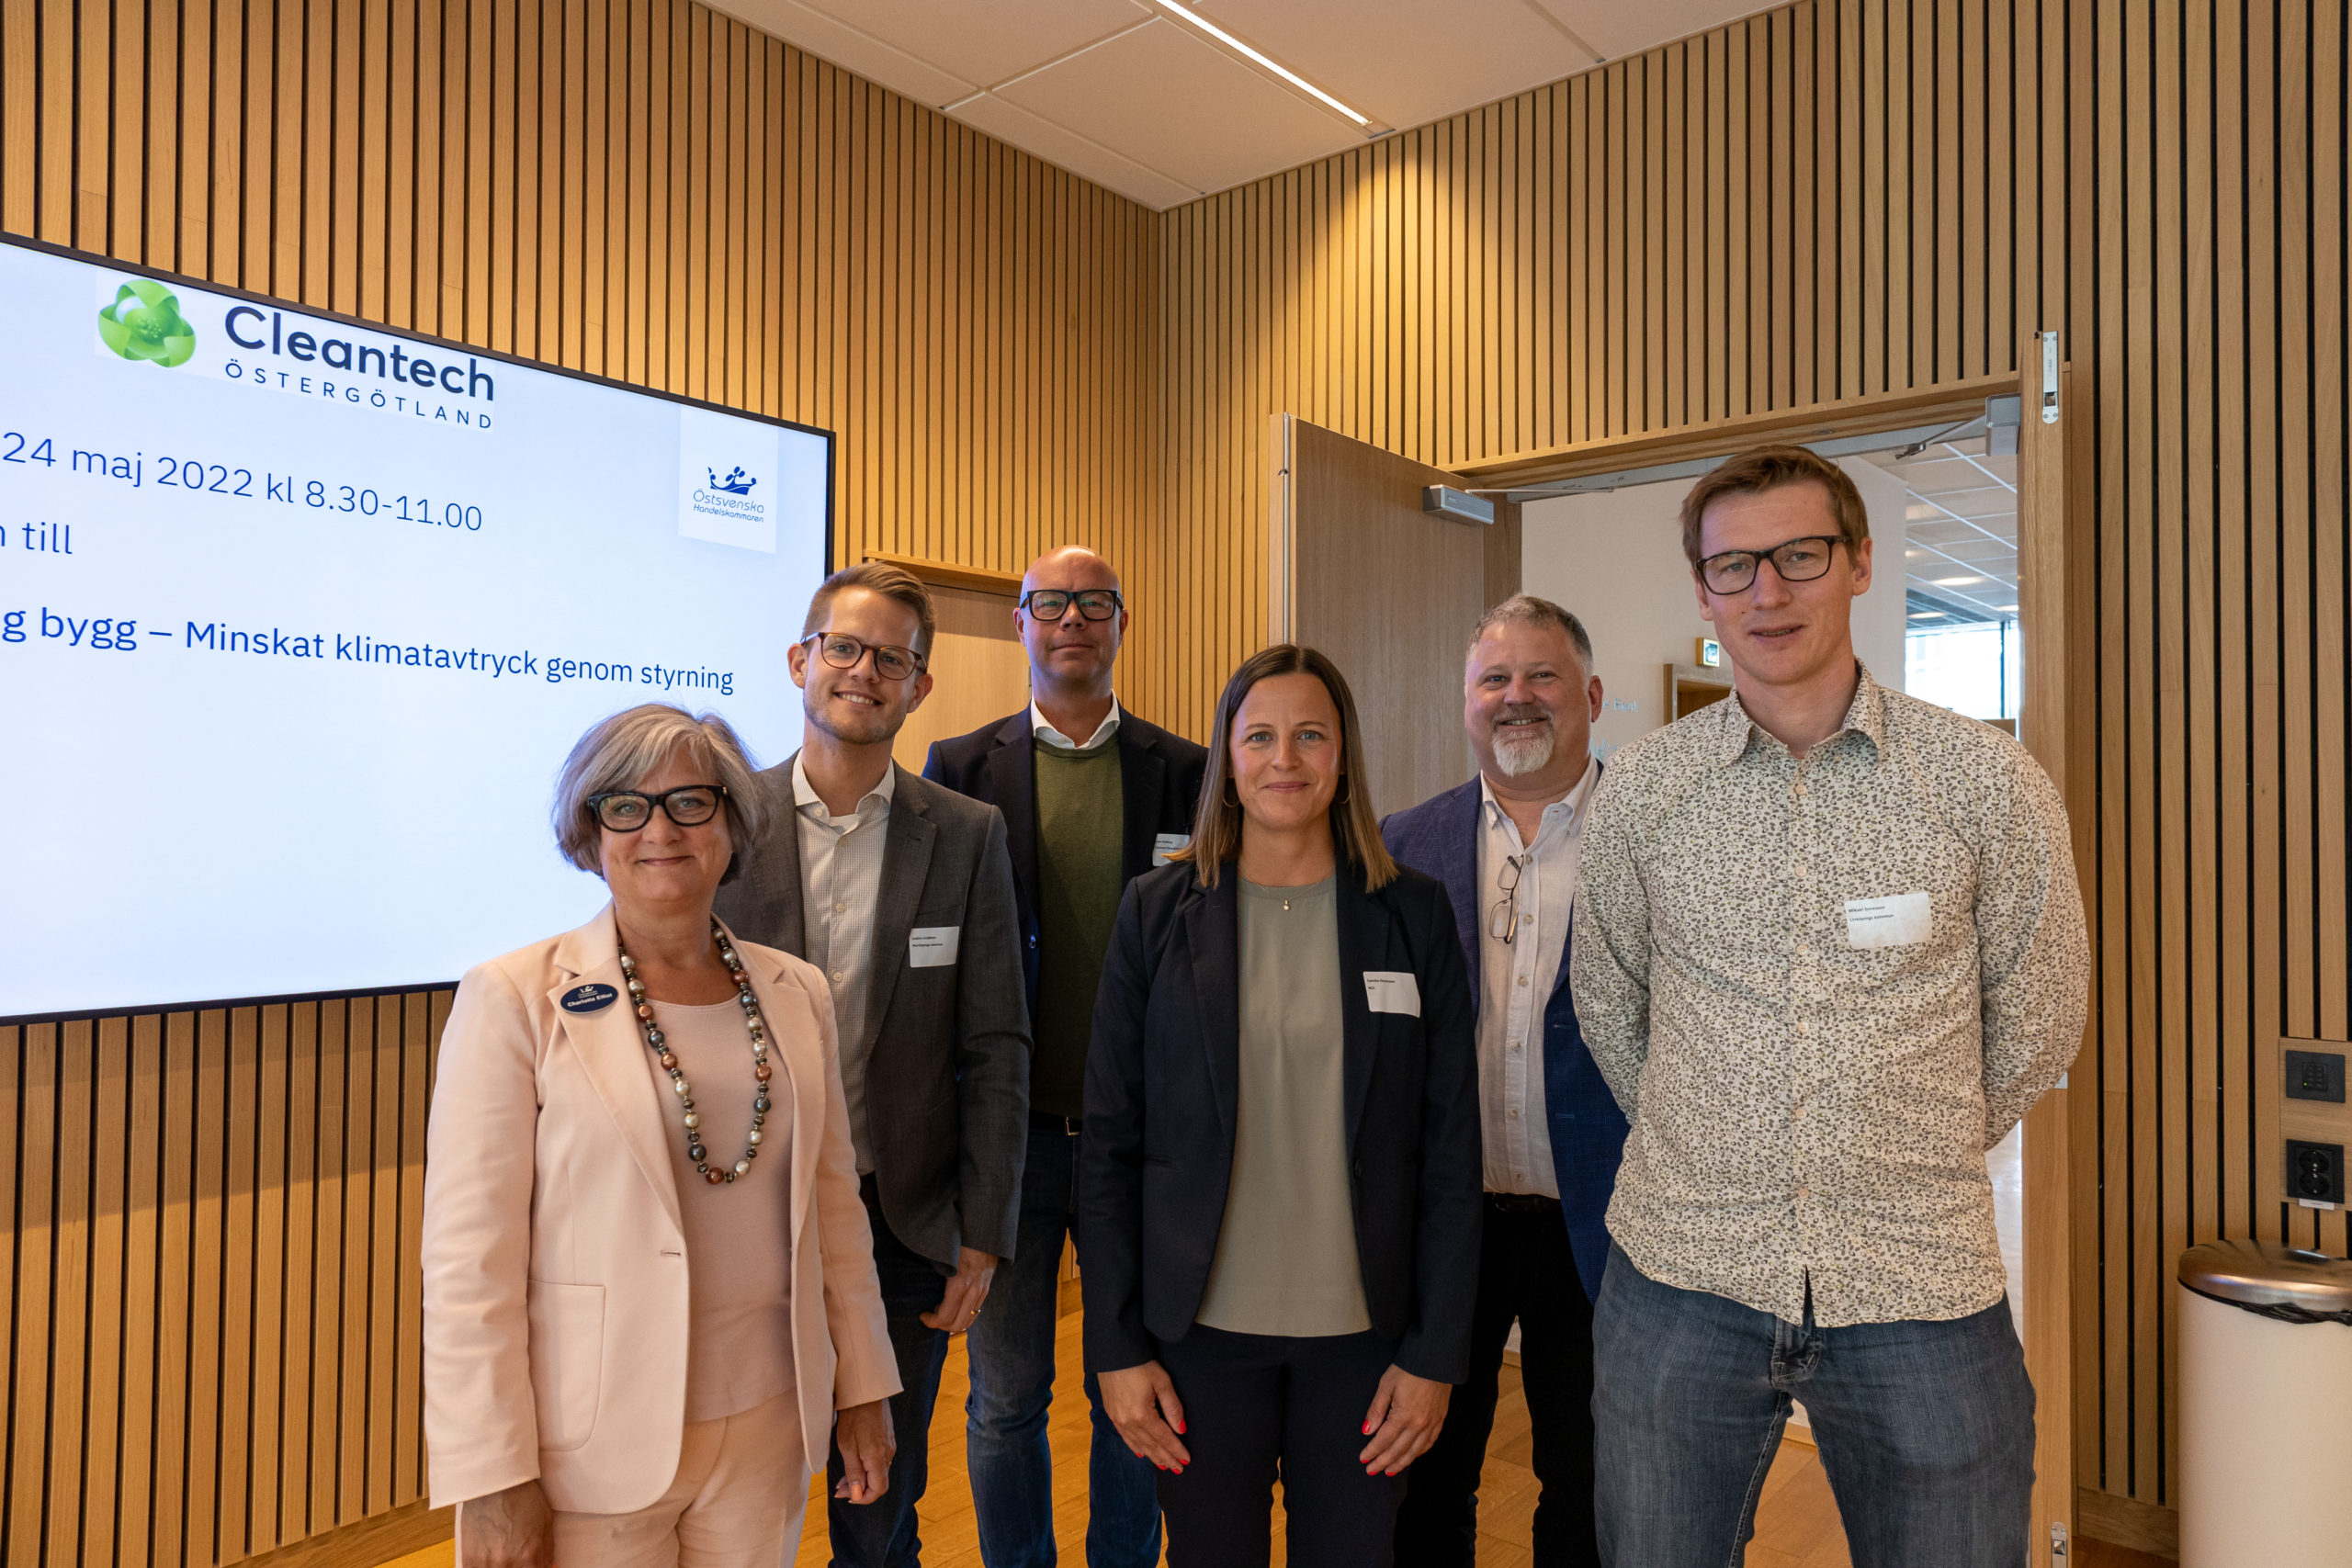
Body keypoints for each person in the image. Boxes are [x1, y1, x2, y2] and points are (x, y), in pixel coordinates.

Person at [1570, 446, 2089, 1568]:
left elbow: (2040, 1010)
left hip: (1917, 1275)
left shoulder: (1983, 780)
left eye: (1798, 555)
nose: (1767, 590)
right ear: (1702, 591)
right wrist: (1706, 1132)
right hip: (1682, 1271)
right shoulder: (1646, 790)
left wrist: (1909, 1142)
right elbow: (1610, 1004)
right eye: (1734, 566)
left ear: (1858, 563)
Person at [422, 704, 899, 1568]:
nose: (660, 829)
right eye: (626, 806)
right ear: (589, 831)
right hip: (586, 1447)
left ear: (732, 822)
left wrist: (863, 1386)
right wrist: (491, 1474)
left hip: (767, 1427)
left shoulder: (797, 992)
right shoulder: (513, 998)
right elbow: (468, 1263)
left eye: (690, 801)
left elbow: (836, 1212)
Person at [1080, 643, 1483, 1568]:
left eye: (1310, 735)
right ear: (1227, 758)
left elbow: (1450, 1151)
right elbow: (1108, 1147)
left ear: (1343, 756)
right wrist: (1115, 1346)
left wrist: (1434, 1356)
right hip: (1198, 1339)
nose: (1285, 759)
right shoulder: (1155, 912)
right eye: (1259, 737)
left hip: (1366, 1342)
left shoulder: (1413, 914)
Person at [712, 560, 1033, 1567]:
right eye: (844, 648)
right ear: (799, 660)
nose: (864, 671)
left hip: (900, 1224)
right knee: (738, 1490)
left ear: (920, 685)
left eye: (892, 659)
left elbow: (996, 1042)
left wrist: (982, 1233)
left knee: (880, 1502)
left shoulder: (967, 835)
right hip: (741, 1215)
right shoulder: (721, 821)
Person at [923, 544, 1205, 1568]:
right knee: (1005, 1397)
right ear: (1022, 623)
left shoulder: (1188, 771)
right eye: (1051, 603)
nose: (1072, 619)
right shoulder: (961, 766)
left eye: (1094, 602)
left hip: (1140, 1138)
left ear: (1122, 621)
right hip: (1013, 1141)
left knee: (1133, 1390)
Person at [1380, 594, 1628, 1568]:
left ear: (1591, 697)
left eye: (1542, 675)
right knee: (1425, 1478)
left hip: (1602, 1228)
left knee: (1590, 1483)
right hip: (1446, 1225)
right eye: (1494, 678)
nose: (1515, 696)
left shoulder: (1654, 835)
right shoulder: (1403, 844)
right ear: (1466, 702)